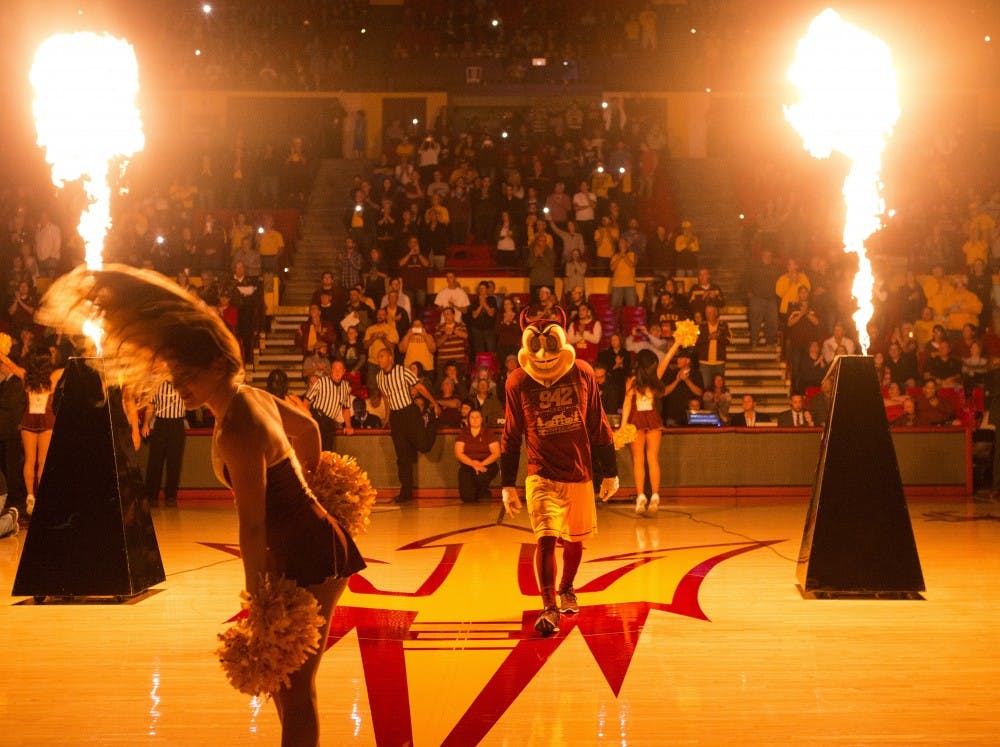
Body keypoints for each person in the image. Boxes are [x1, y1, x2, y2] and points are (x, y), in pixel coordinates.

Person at [39, 264, 366, 746]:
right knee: (289, 688)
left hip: (311, 555)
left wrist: (260, 607)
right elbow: (310, 431)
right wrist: (315, 498)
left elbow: (252, 528)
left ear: (216, 366)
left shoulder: (237, 425)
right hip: (312, 543)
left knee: (294, 692)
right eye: (174, 372)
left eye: (186, 373)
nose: (178, 383)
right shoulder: (250, 397)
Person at [501, 309, 619, 636]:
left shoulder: (582, 374)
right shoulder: (517, 381)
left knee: (575, 542)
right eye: (536, 346)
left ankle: (567, 586)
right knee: (546, 537)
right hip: (541, 474)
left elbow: (598, 423)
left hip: (579, 474)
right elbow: (510, 434)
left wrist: (610, 471)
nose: (542, 354)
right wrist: (507, 484)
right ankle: (549, 607)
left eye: (550, 344)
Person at [619, 344, 680, 516]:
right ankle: (654, 495)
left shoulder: (631, 380)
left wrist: (623, 426)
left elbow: (626, 404)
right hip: (652, 419)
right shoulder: (655, 377)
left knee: (638, 460)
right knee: (653, 458)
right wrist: (676, 342)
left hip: (636, 420)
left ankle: (640, 497)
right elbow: (667, 359)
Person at [375, 347, 440, 503]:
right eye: (378, 357)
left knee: (424, 446)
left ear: (390, 358)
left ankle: (434, 422)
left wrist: (434, 403)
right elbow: (385, 397)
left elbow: (420, 387)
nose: (379, 360)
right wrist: (387, 416)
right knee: (402, 457)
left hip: (409, 412)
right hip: (396, 417)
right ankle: (406, 493)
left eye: (382, 356)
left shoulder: (402, 371)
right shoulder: (379, 377)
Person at [19, 348, 62, 515]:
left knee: (29, 460)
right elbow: (76, 365)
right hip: (47, 421)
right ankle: (42, 499)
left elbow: (8, 363)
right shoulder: (54, 376)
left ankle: (30, 496)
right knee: (43, 461)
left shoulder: (25, 376)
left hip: (29, 421)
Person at [142, 379, 187, 507]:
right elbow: (150, 405)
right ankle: (151, 494)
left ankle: (171, 496)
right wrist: (145, 423)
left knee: (174, 462)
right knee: (155, 460)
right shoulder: (157, 384)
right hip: (160, 423)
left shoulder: (182, 384)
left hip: (177, 423)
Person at [304, 361, 354, 450]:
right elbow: (307, 400)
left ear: (344, 371)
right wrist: (307, 420)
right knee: (315, 449)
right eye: (335, 369)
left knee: (328, 451)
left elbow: (346, 408)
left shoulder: (345, 387)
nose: (337, 372)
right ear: (331, 370)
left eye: (340, 369)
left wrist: (348, 425)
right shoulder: (322, 382)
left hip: (330, 422)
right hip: (318, 417)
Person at [454, 409, 501, 503]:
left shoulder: (488, 433)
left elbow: (496, 453)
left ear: (481, 419)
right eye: (472, 417)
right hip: (468, 464)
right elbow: (458, 453)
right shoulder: (463, 433)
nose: (475, 419)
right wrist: (473, 464)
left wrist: (480, 464)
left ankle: (483, 491)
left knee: (481, 476)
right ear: (468, 419)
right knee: (467, 498)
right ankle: (475, 493)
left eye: (477, 417)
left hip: (487, 463)